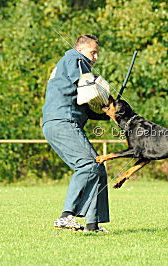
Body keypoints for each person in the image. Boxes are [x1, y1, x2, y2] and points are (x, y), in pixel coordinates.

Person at [42, 34, 110, 232]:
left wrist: (111, 112)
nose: (95, 57)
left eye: (96, 53)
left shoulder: (69, 62)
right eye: (93, 52)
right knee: (88, 164)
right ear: (81, 50)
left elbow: (87, 106)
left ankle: (92, 225)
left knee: (97, 167)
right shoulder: (75, 59)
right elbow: (86, 86)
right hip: (63, 121)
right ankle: (66, 216)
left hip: (56, 122)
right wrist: (108, 97)